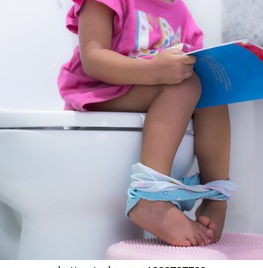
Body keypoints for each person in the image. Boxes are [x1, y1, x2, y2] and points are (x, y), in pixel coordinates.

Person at [58, 0, 236, 247]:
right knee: (186, 86)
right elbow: (93, 58)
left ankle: (216, 196)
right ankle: (150, 199)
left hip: (150, 90)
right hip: (100, 90)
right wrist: (154, 71)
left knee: (212, 91)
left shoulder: (181, 12)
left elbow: (199, 67)